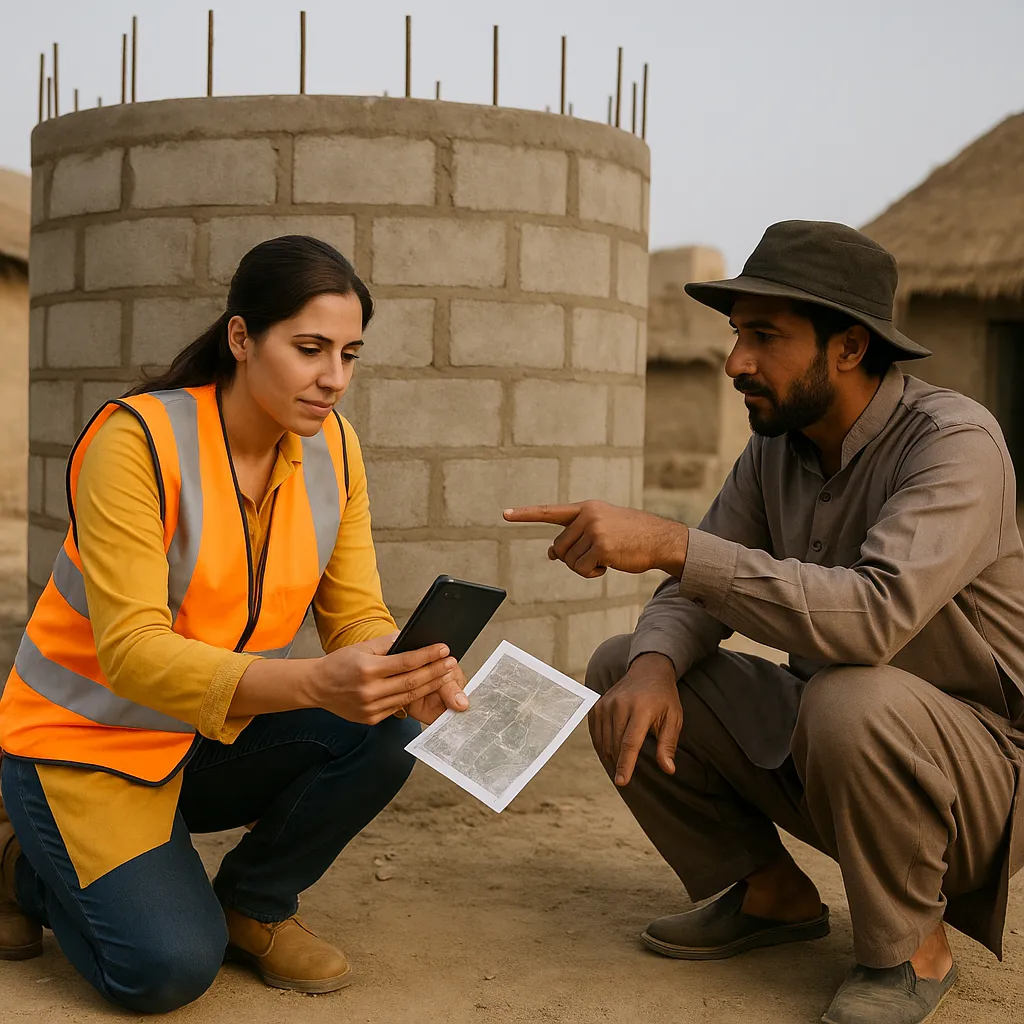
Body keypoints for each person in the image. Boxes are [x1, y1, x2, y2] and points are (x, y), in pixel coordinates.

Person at [505, 221, 1024, 1024]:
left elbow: (873, 618)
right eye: (736, 333)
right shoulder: (776, 448)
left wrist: (674, 543)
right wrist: (654, 663)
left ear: (849, 348)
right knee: (624, 664)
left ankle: (913, 947)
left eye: (764, 336)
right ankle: (768, 894)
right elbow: (693, 592)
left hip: (976, 766)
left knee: (852, 697)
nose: (735, 361)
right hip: (838, 740)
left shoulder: (955, 443)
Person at [0, 235, 469, 1013]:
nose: (333, 379)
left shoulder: (336, 450)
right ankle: (22, 860)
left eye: (350, 354)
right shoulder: (136, 441)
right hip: (84, 743)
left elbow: (354, 612)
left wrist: (399, 664)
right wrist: (318, 679)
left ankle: (253, 903)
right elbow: (132, 655)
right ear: (242, 337)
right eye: (310, 348)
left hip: (205, 733)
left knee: (390, 725)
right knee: (168, 970)